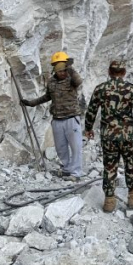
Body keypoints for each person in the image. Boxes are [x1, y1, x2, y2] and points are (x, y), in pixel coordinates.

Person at [84, 60, 133, 212]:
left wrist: (88, 128)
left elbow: (91, 110)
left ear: (109, 72)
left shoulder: (100, 89)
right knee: (131, 166)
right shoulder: (132, 89)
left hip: (108, 135)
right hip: (128, 135)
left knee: (110, 167)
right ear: (124, 73)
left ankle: (109, 201)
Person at [22, 51, 84, 181]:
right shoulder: (51, 82)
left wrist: (70, 68)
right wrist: (31, 103)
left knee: (76, 147)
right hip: (57, 120)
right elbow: (47, 97)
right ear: (55, 70)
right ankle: (67, 170)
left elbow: (79, 81)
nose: (62, 73)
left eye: (64, 70)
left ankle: (76, 173)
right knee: (61, 147)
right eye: (59, 70)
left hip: (72, 118)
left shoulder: (71, 80)